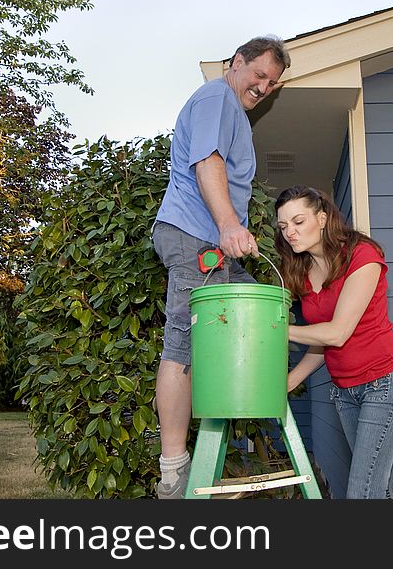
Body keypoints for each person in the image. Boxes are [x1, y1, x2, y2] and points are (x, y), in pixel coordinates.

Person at [151, 35, 291, 499]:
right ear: (236, 63)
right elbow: (206, 161)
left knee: (256, 316)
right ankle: (173, 468)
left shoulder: (234, 114)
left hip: (213, 244)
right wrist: (230, 225)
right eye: (259, 74)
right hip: (197, 235)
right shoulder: (216, 96)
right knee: (183, 339)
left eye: (271, 83)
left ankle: (224, 430)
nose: (263, 86)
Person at [275, 184, 393, 499]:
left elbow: (338, 332)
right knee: (385, 482)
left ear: (322, 218)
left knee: (363, 490)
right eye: (284, 227)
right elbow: (324, 345)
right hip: (344, 390)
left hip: (383, 382)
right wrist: (290, 379)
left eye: (298, 222)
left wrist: (277, 329)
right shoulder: (303, 270)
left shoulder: (362, 255)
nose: (290, 233)